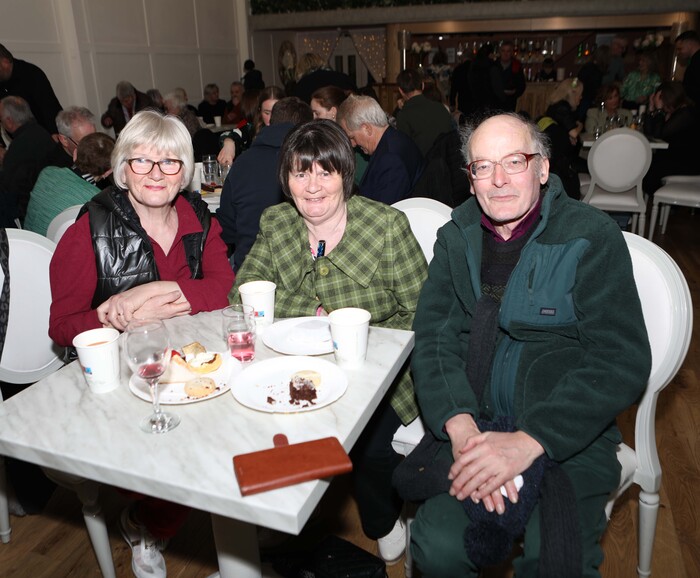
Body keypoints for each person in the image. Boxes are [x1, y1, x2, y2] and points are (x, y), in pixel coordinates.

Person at [409, 112, 651, 578]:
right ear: (470, 180)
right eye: (483, 166)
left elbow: (620, 358)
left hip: (568, 429)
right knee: (438, 546)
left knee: (553, 559)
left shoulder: (589, 235)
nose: (498, 180)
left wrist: (529, 440)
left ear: (542, 169)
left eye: (514, 162)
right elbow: (435, 338)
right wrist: (461, 429)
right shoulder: (456, 238)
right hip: (475, 421)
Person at [231, 119, 427, 564]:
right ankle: (289, 510)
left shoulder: (385, 226)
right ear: (286, 180)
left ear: (346, 175)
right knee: (267, 422)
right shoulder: (277, 222)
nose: (313, 186)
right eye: (301, 173)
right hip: (296, 363)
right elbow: (242, 294)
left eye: (326, 172)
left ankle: (380, 520)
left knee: (369, 446)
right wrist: (313, 315)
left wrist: (360, 335)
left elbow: (424, 312)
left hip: (380, 370)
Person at [48, 110, 234, 578]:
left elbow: (224, 288)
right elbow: (62, 325)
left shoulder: (199, 219)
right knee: (176, 459)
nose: (155, 173)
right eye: (142, 160)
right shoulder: (89, 230)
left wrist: (152, 293)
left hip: (190, 366)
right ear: (122, 168)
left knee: (231, 436)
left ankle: (230, 530)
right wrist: (112, 318)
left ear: (184, 171)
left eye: (169, 162)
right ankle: (146, 523)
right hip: (123, 376)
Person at [217, 97, 312, 272]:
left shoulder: (242, 162)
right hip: (299, 267)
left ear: (271, 122)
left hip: (249, 266)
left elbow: (227, 229)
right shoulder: (311, 165)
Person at [337, 94, 423, 205]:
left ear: (367, 129)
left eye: (352, 137)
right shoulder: (395, 138)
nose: (353, 144)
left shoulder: (390, 159)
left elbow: (384, 211)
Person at [24, 132, 114, 236]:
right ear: (109, 171)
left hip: (27, 241)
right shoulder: (97, 201)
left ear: (75, 154)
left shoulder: (47, 172)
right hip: (53, 246)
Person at [0, 95, 62, 227]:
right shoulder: (41, 132)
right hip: (52, 202)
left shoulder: (18, 147)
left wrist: (5, 162)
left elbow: (9, 189)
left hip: (31, 215)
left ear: (9, 121)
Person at [643, 81, 700, 195]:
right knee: (643, 162)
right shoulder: (676, 112)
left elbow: (659, 135)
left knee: (646, 167)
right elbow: (650, 133)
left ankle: (656, 197)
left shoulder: (686, 113)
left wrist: (659, 110)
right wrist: (651, 108)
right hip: (675, 158)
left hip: (688, 162)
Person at [310, 85, 369, 185]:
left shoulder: (351, 140)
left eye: (317, 113)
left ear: (333, 112)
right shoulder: (328, 138)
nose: (313, 119)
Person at [537, 77, 585, 199]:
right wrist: (580, 125)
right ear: (573, 94)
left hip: (557, 160)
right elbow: (574, 133)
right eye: (580, 94)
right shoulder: (562, 108)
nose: (581, 97)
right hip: (559, 163)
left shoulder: (557, 107)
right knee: (593, 166)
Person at [0, 43, 63, 135]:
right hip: (21, 137)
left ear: (5, 62)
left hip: (46, 134)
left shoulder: (31, 74)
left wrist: (55, 134)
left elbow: (50, 108)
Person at [395, 68, 454, 156]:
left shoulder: (404, 115)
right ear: (422, 86)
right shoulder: (441, 107)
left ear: (400, 91)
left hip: (421, 163)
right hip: (446, 160)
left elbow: (404, 150)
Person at [490, 40, 526, 112]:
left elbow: (522, 85)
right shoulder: (493, 66)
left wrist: (514, 92)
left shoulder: (517, 66)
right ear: (500, 52)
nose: (505, 54)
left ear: (512, 53)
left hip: (510, 102)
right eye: (503, 51)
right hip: (495, 103)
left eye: (508, 51)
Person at [577, 45, 610, 121]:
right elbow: (594, 88)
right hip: (587, 98)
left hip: (582, 96)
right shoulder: (595, 71)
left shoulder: (588, 66)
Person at [675, 30, 700, 106]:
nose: (678, 53)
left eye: (680, 49)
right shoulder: (694, 60)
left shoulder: (697, 61)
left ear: (689, 44)